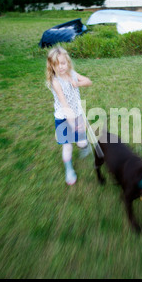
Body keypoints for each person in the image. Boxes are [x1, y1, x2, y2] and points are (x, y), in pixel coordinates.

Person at [46, 46, 92, 185]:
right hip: (63, 117)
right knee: (67, 146)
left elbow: (89, 81)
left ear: (68, 62)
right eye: (56, 64)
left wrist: (77, 83)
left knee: (81, 141)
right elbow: (65, 105)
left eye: (63, 63)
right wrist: (73, 125)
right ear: (52, 66)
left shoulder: (72, 73)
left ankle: (84, 145)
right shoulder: (55, 82)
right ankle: (69, 169)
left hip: (77, 113)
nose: (60, 67)